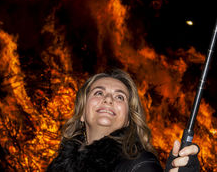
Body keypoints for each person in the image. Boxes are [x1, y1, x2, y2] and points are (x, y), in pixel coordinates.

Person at [47, 69, 200, 172]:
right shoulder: (58, 165)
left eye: (119, 97)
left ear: (128, 119)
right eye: (99, 93)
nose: (108, 99)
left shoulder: (140, 163)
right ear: (82, 112)